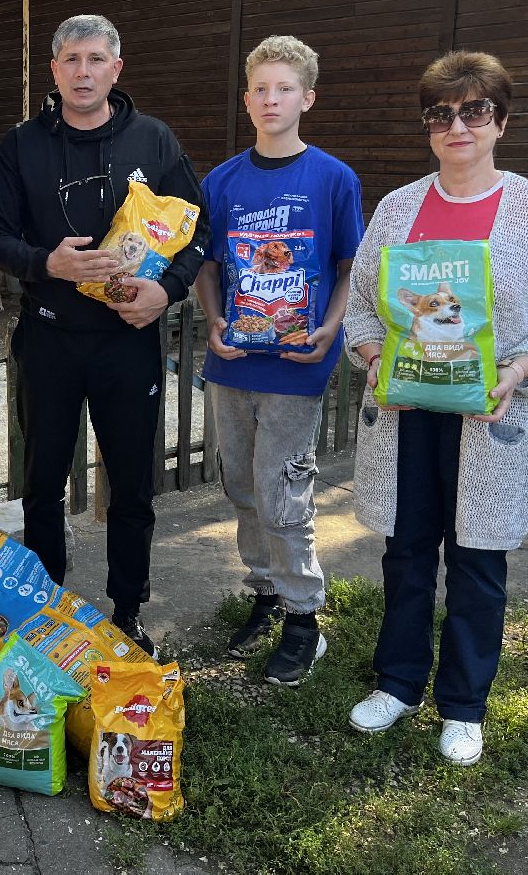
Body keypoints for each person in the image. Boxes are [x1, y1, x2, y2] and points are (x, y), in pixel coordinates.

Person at [342, 50, 528, 764]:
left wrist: (517, 370)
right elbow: (362, 305)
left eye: (474, 111)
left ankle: (464, 703)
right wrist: (375, 359)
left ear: (500, 122)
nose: (458, 126)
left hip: (490, 420)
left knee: (479, 556)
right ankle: (398, 682)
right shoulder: (398, 209)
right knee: (407, 550)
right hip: (408, 418)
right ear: (429, 126)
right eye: (442, 114)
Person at [0, 14, 207, 655]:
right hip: (49, 337)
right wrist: (46, 262)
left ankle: (128, 611)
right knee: (42, 484)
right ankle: (45, 610)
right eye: (71, 59)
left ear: (116, 69)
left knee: (132, 486)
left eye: (96, 59)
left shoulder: (155, 142)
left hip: (128, 342)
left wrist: (167, 292)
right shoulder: (23, 143)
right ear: (53, 70)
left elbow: (198, 232)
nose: (83, 71)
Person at [193, 35, 364, 686]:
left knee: (283, 493)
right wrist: (213, 320)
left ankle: (303, 619)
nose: (271, 99)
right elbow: (206, 268)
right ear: (246, 99)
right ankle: (264, 593)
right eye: (261, 89)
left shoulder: (332, 178)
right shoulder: (222, 181)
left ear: (307, 98)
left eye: (284, 88)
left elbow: (351, 268)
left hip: (297, 367)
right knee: (241, 488)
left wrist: (329, 328)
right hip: (232, 365)